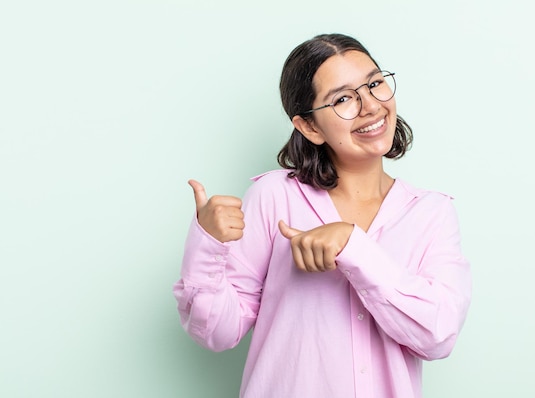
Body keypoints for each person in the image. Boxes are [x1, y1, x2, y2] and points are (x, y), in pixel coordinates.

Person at [173, 33, 472, 398]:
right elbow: (217, 333)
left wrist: (353, 246)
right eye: (343, 98)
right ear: (310, 127)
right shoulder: (274, 196)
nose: (370, 106)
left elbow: (437, 336)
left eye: (375, 83)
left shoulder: (432, 213)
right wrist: (207, 245)